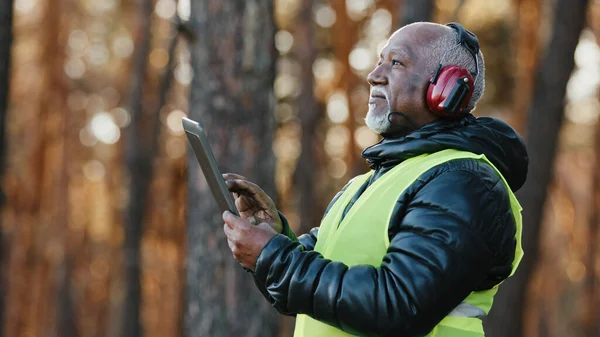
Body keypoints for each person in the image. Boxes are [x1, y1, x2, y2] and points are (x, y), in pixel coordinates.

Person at [221, 21, 528, 337]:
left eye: (396, 62)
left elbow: (397, 307)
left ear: (447, 89)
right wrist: (274, 237)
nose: (374, 75)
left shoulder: (464, 183)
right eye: (380, 60)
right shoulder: (372, 182)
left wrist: (274, 257)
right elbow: (309, 284)